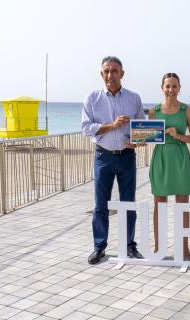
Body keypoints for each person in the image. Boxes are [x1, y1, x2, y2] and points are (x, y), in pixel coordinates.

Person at [82, 56, 146, 265]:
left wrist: (136, 142)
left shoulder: (134, 98)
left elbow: (142, 128)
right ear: (102, 74)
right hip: (103, 157)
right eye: (106, 71)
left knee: (129, 203)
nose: (110, 75)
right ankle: (99, 247)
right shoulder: (92, 98)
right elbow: (85, 128)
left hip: (127, 157)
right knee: (101, 205)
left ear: (122, 73)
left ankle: (129, 245)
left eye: (114, 71)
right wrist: (112, 125)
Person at [149, 73, 190, 260]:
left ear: (179, 88)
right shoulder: (153, 111)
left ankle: (184, 250)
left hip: (180, 157)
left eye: (174, 86)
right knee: (159, 205)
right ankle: (158, 249)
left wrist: (178, 135)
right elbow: (148, 136)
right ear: (162, 88)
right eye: (167, 86)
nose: (171, 90)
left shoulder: (187, 110)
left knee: (182, 206)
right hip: (160, 157)